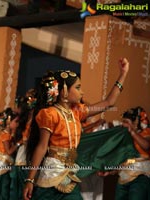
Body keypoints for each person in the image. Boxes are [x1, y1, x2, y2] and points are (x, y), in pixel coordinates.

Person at [23, 58, 129, 200]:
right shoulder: (50, 114)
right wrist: (30, 180)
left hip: (69, 172)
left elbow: (109, 102)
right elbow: (41, 147)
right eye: (78, 88)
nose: (82, 92)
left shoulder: (77, 112)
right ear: (64, 91)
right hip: (51, 175)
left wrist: (123, 73)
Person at [99, 106, 150, 200]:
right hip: (123, 180)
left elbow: (147, 146)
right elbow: (125, 161)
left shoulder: (146, 134)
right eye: (123, 122)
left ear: (136, 123)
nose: (123, 125)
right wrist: (110, 172)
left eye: (126, 122)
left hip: (139, 179)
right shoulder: (125, 138)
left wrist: (132, 132)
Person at [9, 89, 36, 200]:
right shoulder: (24, 119)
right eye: (27, 99)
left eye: (30, 98)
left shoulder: (37, 118)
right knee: (17, 191)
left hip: (30, 156)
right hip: (21, 156)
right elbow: (12, 125)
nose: (28, 101)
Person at [0, 107, 20, 200]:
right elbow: (9, 151)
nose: (18, 124)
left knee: (3, 190)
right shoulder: (5, 135)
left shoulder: (8, 134)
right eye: (16, 121)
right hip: (2, 166)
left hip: (5, 165)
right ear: (8, 122)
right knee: (2, 191)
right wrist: (19, 143)